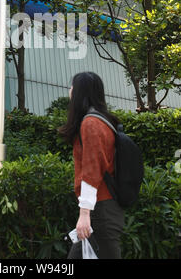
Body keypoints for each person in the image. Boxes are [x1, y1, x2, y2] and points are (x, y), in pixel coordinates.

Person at [59, 71, 125, 259]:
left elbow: (92, 170)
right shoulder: (100, 120)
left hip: (101, 211)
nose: (70, 91)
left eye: (72, 87)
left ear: (80, 91)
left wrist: (85, 213)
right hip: (103, 209)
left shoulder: (91, 123)